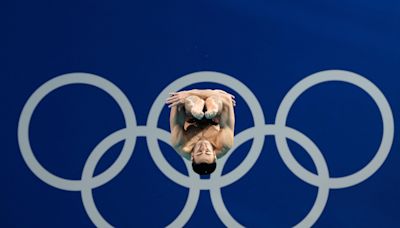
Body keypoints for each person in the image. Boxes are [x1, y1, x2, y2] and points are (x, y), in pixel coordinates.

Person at [166, 89, 235, 175]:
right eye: (207, 152)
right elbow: (227, 100)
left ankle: (196, 106)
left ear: (192, 157)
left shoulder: (180, 144)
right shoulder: (224, 144)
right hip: (214, 110)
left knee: (189, 102)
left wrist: (189, 94)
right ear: (214, 155)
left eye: (199, 152)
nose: (203, 147)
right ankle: (212, 105)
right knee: (216, 101)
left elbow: (177, 104)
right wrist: (215, 94)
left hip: (191, 110)